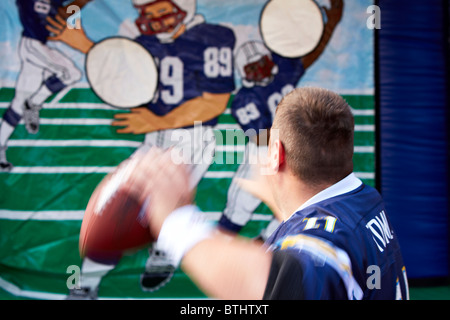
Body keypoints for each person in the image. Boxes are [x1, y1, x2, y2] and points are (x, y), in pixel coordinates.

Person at [124, 87, 410, 299]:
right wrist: (281, 202)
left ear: (276, 154)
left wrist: (175, 221)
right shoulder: (365, 198)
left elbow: (289, 280)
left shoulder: (323, 238)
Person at [46, 0, 235, 297]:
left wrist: (157, 119)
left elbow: (215, 101)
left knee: (123, 209)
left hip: (191, 139)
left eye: (162, 10)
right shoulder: (146, 42)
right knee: (132, 210)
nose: (156, 20)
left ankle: (90, 283)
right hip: (156, 140)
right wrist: (83, 44)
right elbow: (121, 69)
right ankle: (99, 278)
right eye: (149, 13)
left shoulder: (212, 36)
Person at [219, 0, 344, 241]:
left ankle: (265, 243)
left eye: (261, 64)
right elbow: (260, 136)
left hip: (290, 152)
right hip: (264, 154)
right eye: (252, 69)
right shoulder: (243, 100)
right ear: (244, 73)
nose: (260, 72)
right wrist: (299, 134)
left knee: (298, 202)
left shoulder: (284, 70)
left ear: (269, 60)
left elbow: (311, 53)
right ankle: (221, 249)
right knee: (239, 208)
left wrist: (330, 26)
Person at [0, 0, 91, 171]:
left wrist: (77, 8)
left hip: (37, 46)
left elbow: (69, 10)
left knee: (19, 103)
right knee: (72, 73)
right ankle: (35, 102)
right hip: (32, 44)